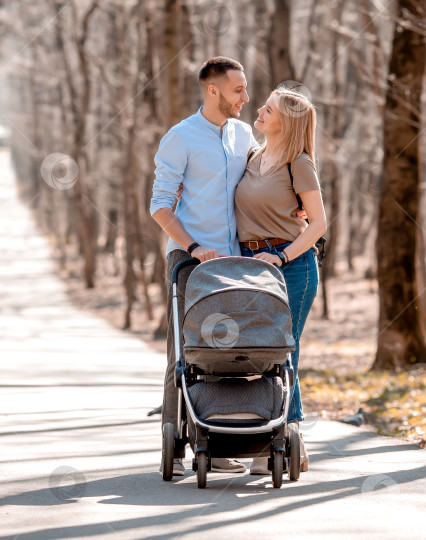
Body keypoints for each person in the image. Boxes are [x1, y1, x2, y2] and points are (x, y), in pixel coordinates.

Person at [150, 56, 258, 476]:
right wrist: (194, 247)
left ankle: (220, 440)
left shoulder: (244, 133)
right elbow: (159, 207)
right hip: (191, 260)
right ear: (212, 91)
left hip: (237, 261)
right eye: (238, 90)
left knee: (229, 351)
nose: (245, 98)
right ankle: (174, 446)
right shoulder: (181, 138)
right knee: (184, 353)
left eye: (245, 89)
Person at [234, 88, 326, 474]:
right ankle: (282, 440)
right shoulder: (252, 156)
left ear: (285, 122)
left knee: (283, 353)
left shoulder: (299, 163)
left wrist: (284, 255)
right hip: (251, 266)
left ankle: (282, 440)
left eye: (268, 109)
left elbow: (319, 224)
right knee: (255, 352)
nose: (259, 110)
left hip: (291, 266)